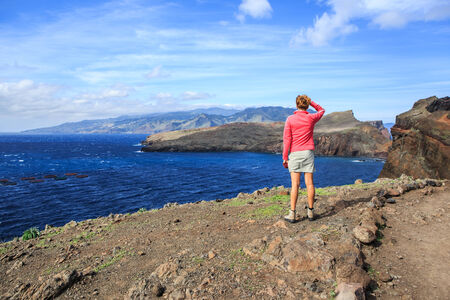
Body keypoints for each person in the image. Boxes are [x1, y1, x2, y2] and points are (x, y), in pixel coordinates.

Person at [282, 94, 325, 223]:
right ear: (307, 105)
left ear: (296, 105)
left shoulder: (290, 119)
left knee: (295, 185)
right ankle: (311, 213)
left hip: (295, 154)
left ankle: (292, 214)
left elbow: (287, 140)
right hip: (308, 153)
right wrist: (311, 102)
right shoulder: (311, 118)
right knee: (310, 184)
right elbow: (322, 110)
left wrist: (285, 158)